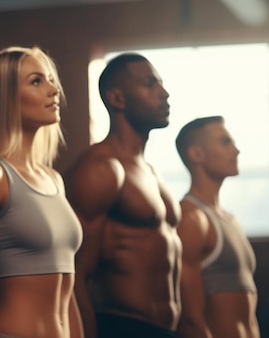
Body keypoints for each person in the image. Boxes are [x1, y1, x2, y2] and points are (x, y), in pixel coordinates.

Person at [0, 46, 84, 338]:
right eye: (36, 81)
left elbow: (68, 295)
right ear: (3, 97)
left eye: (50, 79)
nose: (54, 89)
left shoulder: (53, 178)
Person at [64, 53, 181, 338]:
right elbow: (74, 274)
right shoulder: (100, 168)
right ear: (117, 98)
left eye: (162, 84)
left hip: (165, 330)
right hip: (121, 327)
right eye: (150, 84)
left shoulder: (151, 172)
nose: (164, 93)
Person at [175, 116, 259, 338]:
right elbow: (190, 319)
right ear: (196, 154)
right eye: (225, 142)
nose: (237, 150)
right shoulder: (190, 218)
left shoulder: (230, 220)